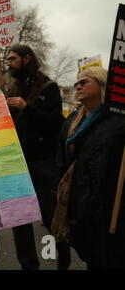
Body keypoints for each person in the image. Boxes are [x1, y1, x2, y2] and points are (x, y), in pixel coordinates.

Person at [51, 67, 125, 269]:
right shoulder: (71, 121)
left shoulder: (118, 121)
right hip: (79, 204)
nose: (78, 86)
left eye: (84, 82)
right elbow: (62, 159)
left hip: (111, 206)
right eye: (76, 83)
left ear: (101, 84)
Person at [5, 44, 69, 270]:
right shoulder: (10, 89)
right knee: (19, 219)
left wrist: (27, 108)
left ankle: (63, 253)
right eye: (7, 59)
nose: (8, 63)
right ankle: (28, 264)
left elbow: (56, 125)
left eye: (13, 59)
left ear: (27, 58)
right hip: (16, 163)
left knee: (50, 216)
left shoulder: (49, 87)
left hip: (42, 162)